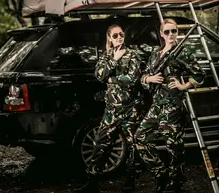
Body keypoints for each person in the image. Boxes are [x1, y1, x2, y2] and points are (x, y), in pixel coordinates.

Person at [135, 18, 205, 193]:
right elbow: (143, 77)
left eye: (174, 31)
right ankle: (161, 174)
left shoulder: (182, 53)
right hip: (157, 103)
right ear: (161, 34)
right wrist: (149, 79)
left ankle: (176, 181)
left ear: (177, 32)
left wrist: (184, 85)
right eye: (167, 31)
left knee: (173, 145)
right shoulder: (155, 54)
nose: (171, 34)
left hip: (173, 103)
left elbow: (200, 74)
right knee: (140, 137)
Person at [76, 24, 142, 193]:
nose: (119, 37)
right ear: (110, 39)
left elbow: (132, 80)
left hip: (130, 108)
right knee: (101, 143)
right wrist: (113, 60)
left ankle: (130, 181)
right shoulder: (107, 56)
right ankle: (92, 181)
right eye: (115, 35)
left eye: (121, 34)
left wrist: (111, 79)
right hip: (111, 110)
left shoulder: (132, 55)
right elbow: (99, 75)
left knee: (132, 145)